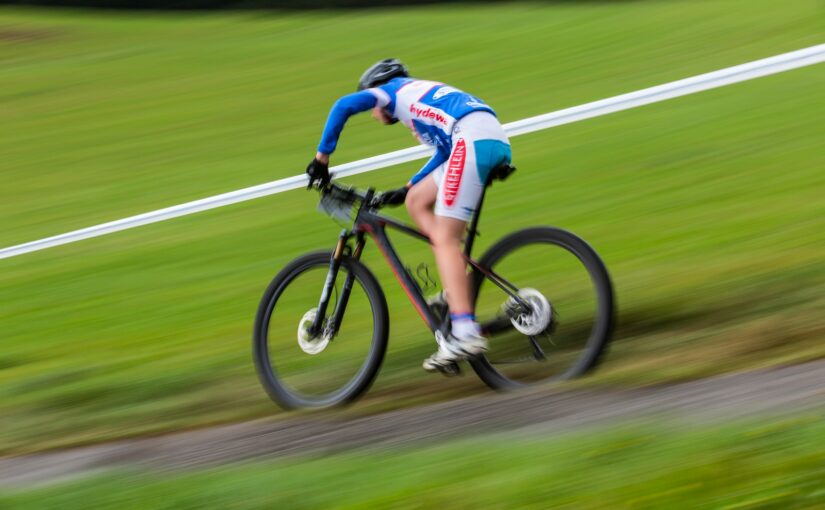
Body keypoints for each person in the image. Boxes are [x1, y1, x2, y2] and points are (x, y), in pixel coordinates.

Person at [306, 58, 512, 373]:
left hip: (471, 140)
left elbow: (342, 105)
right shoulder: (418, 96)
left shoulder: (390, 92)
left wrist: (321, 159)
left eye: (374, 107)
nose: (375, 113)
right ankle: (456, 285)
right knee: (417, 202)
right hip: (482, 137)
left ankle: (464, 333)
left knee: (444, 236)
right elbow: (445, 151)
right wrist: (407, 187)